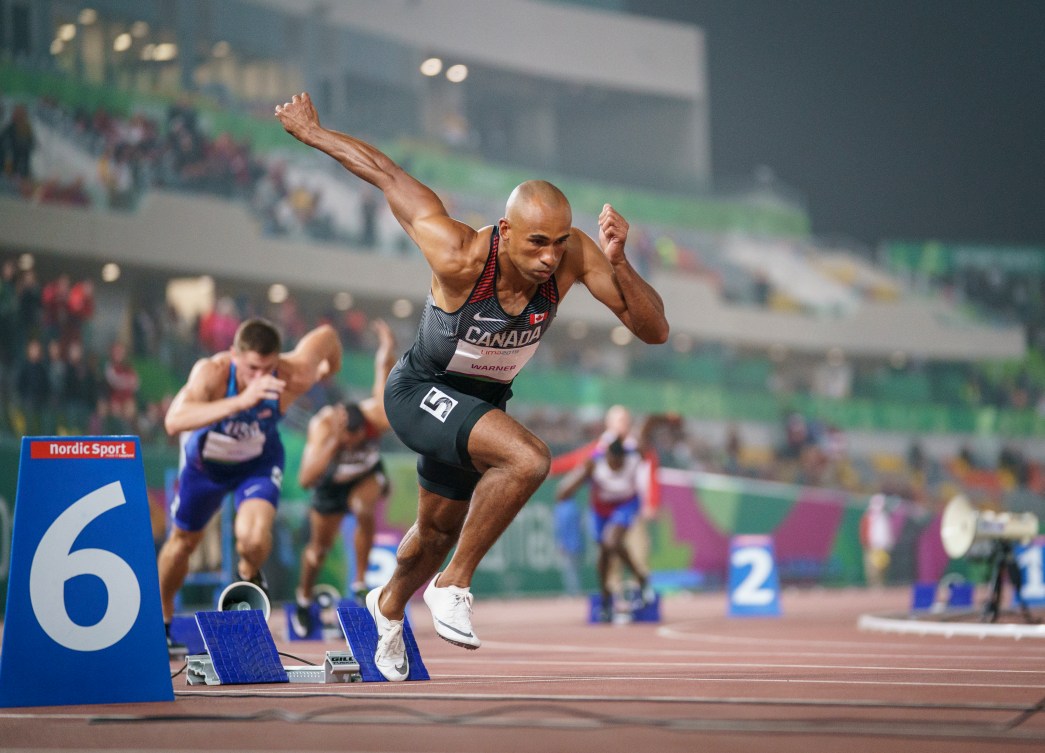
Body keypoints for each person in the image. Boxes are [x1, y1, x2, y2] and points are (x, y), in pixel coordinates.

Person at [275, 92, 669, 681]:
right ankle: (453, 587)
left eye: (560, 241)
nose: (549, 257)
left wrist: (619, 260)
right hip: (420, 390)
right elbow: (386, 174)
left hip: (479, 403)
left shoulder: (573, 257)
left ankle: (387, 609)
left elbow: (654, 330)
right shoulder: (459, 253)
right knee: (529, 458)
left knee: (434, 533)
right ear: (507, 232)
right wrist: (314, 133)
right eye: (537, 242)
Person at [158, 317, 341, 653]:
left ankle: (248, 570)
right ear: (234, 356)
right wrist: (242, 401)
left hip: (257, 464)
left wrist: (327, 371)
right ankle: (163, 623)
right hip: (206, 466)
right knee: (182, 543)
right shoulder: (212, 372)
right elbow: (174, 421)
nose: (262, 377)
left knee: (254, 539)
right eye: (253, 368)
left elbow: (328, 337)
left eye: (269, 368)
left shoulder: (291, 373)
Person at [291, 319, 397, 638]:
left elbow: (383, 377)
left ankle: (360, 583)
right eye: (349, 441)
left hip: (365, 476)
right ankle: (303, 597)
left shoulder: (375, 418)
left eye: (357, 439)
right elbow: (306, 480)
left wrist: (387, 347)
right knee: (317, 552)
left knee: (364, 509)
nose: (354, 443)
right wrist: (335, 443)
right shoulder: (323, 428)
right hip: (329, 485)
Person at [555, 437, 654, 622]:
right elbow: (563, 493)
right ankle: (606, 598)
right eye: (613, 463)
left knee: (612, 540)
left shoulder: (633, 459)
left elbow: (646, 431)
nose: (617, 467)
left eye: (620, 464)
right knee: (604, 553)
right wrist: (580, 477)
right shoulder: (595, 464)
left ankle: (641, 578)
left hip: (625, 504)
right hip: (601, 510)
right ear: (607, 457)